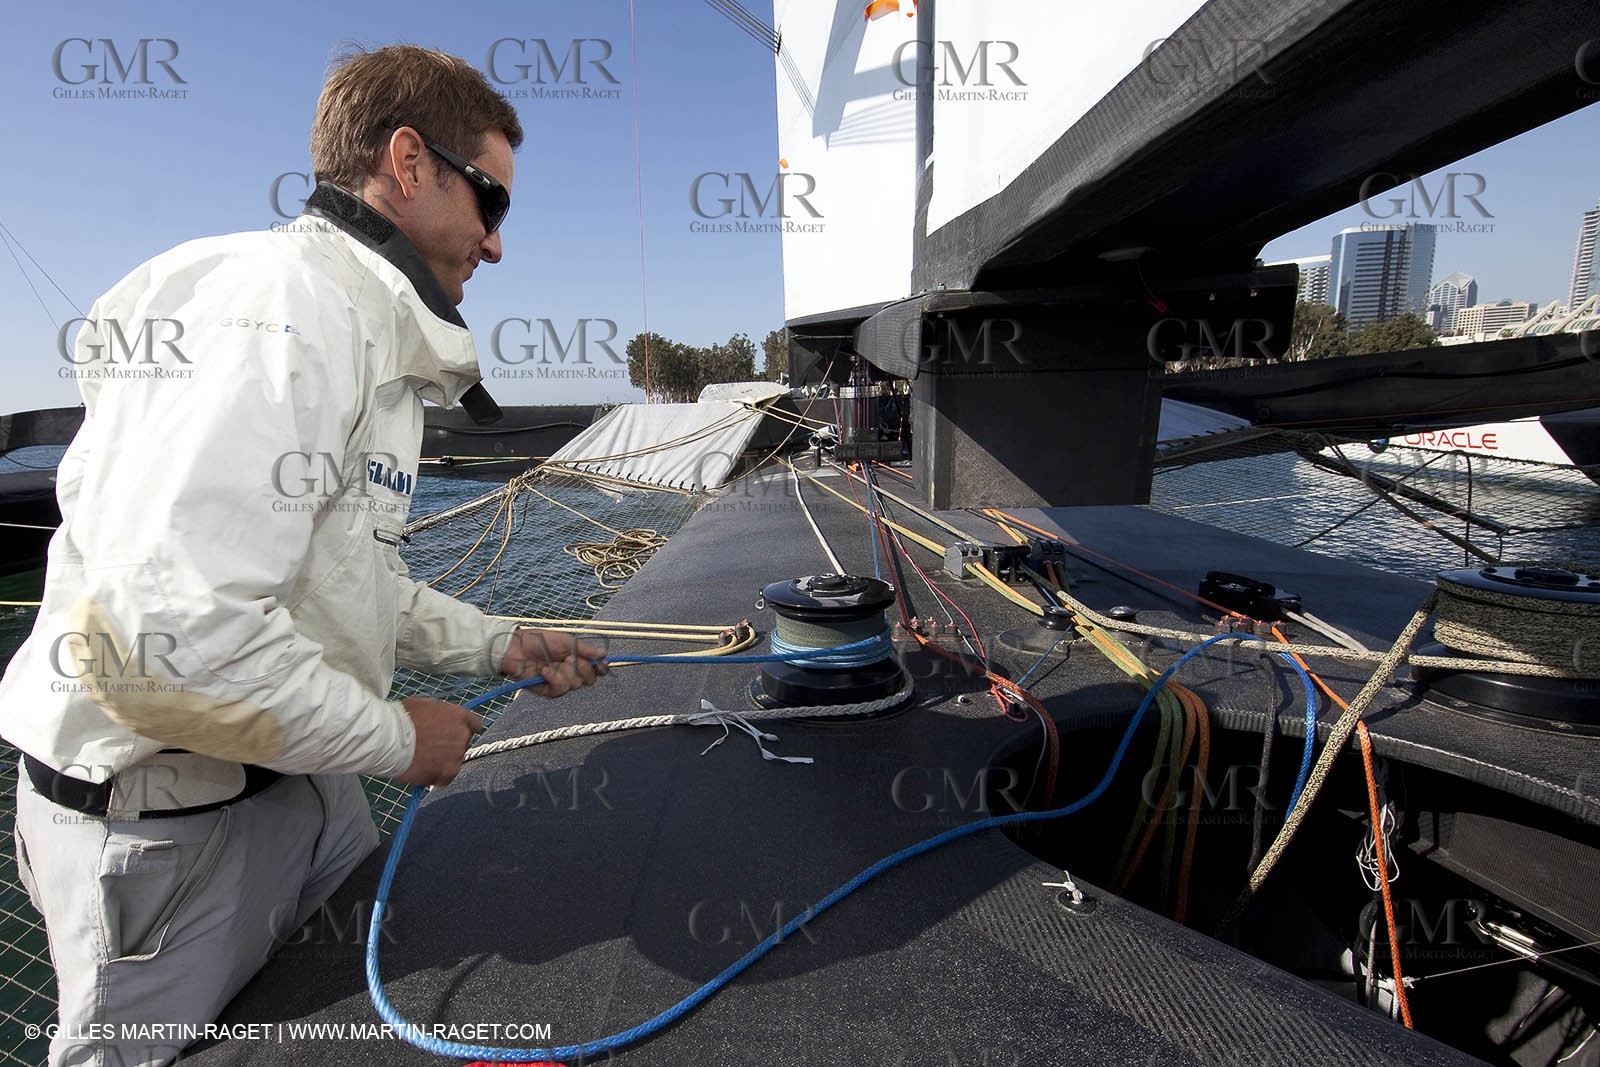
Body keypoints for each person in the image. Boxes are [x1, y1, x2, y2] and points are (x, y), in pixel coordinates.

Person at [0, 45, 605, 1067]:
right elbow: (165, 641)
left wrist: (505, 639)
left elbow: (346, 581)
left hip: (299, 784)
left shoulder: (358, 331)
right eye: (491, 202)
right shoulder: (277, 313)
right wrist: (391, 738)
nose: (495, 247)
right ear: (409, 163)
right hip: (170, 829)